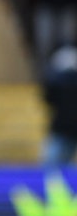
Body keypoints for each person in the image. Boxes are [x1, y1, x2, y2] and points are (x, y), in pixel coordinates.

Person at [41, 42, 77, 170]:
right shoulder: (57, 82)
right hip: (62, 129)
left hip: (61, 129)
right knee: (51, 166)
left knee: (50, 169)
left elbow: (47, 99)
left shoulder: (56, 81)